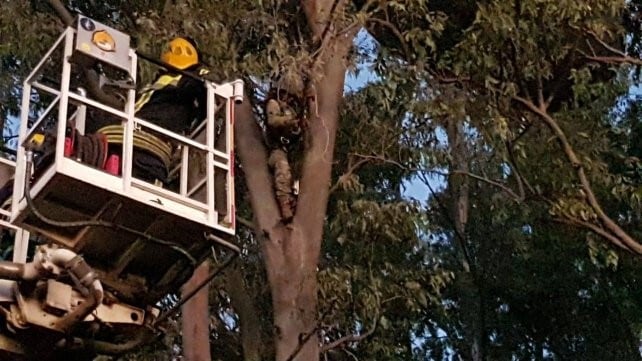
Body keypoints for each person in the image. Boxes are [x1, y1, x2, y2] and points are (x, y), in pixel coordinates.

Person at [264, 89, 304, 221]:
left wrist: (298, 127)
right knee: (283, 168)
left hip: (291, 151)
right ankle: (285, 203)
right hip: (276, 151)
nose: (289, 98)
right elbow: (273, 121)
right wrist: (289, 121)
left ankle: (294, 200)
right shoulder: (273, 104)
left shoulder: (291, 110)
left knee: (297, 174)